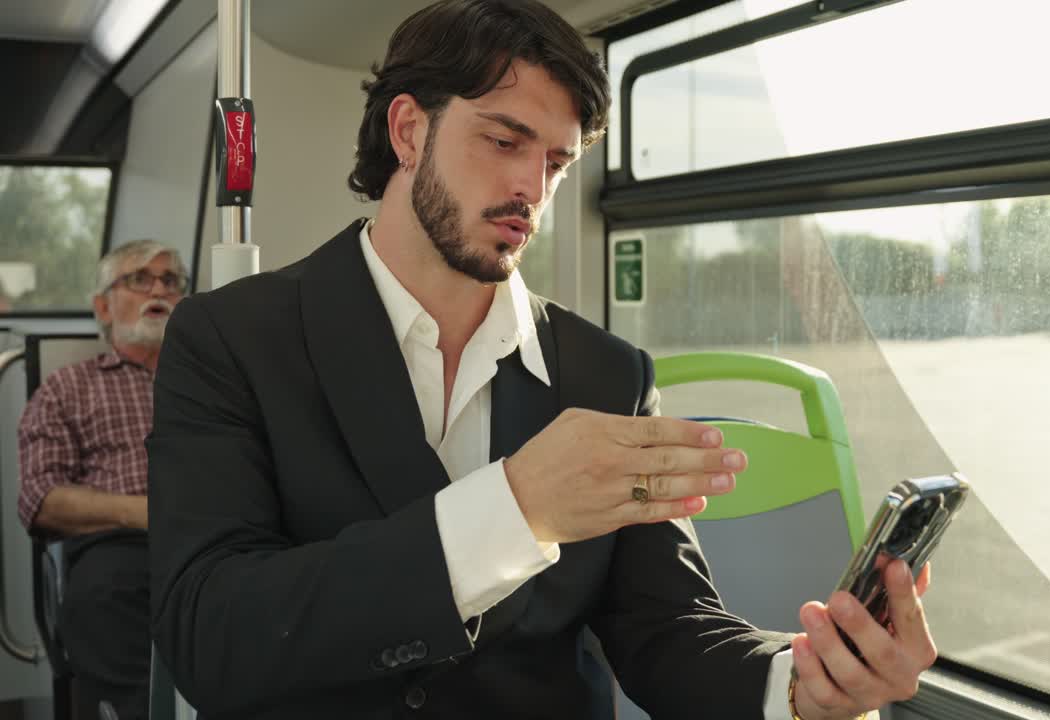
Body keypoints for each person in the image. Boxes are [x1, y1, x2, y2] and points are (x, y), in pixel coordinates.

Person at [146, 2, 936, 718]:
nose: (531, 185)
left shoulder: (607, 374)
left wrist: (800, 685)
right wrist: (516, 506)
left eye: (556, 163)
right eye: (503, 140)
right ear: (409, 131)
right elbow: (210, 637)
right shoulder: (232, 338)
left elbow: (664, 626)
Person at [18, 239, 188, 720]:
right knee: (104, 594)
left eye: (171, 280)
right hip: (123, 546)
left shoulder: (215, 376)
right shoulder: (69, 386)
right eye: (140, 278)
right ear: (102, 305)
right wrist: (143, 512)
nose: (159, 288)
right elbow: (39, 499)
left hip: (221, 534)